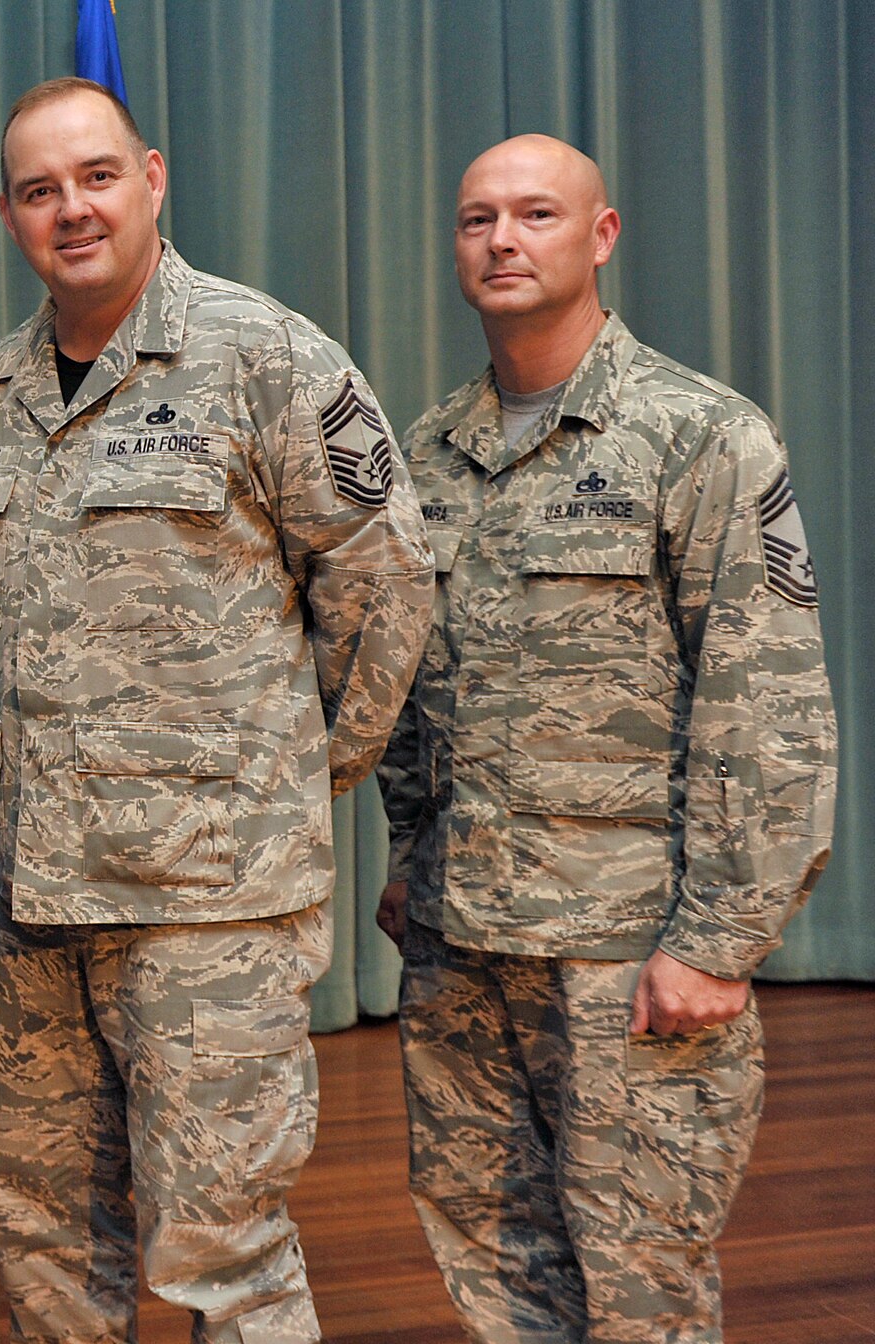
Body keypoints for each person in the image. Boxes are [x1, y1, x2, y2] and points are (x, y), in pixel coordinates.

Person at [0, 79, 434, 1343]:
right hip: (47, 897)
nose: (72, 209)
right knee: (45, 1226)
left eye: (97, 176)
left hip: (210, 903)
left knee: (221, 1244)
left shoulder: (264, 354)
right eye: (39, 189)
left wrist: (293, 772)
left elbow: (384, 590)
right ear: (9, 214)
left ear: (153, 178)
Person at [375, 134, 838, 1343]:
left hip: (626, 955)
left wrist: (719, 944)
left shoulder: (700, 438)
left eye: (534, 213)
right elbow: (416, 688)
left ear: (600, 234)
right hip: (463, 942)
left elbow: (767, 702)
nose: (502, 240)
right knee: (491, 1258)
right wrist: (407, 860)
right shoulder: (430, 454)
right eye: (477, 218)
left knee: (640, 1282)